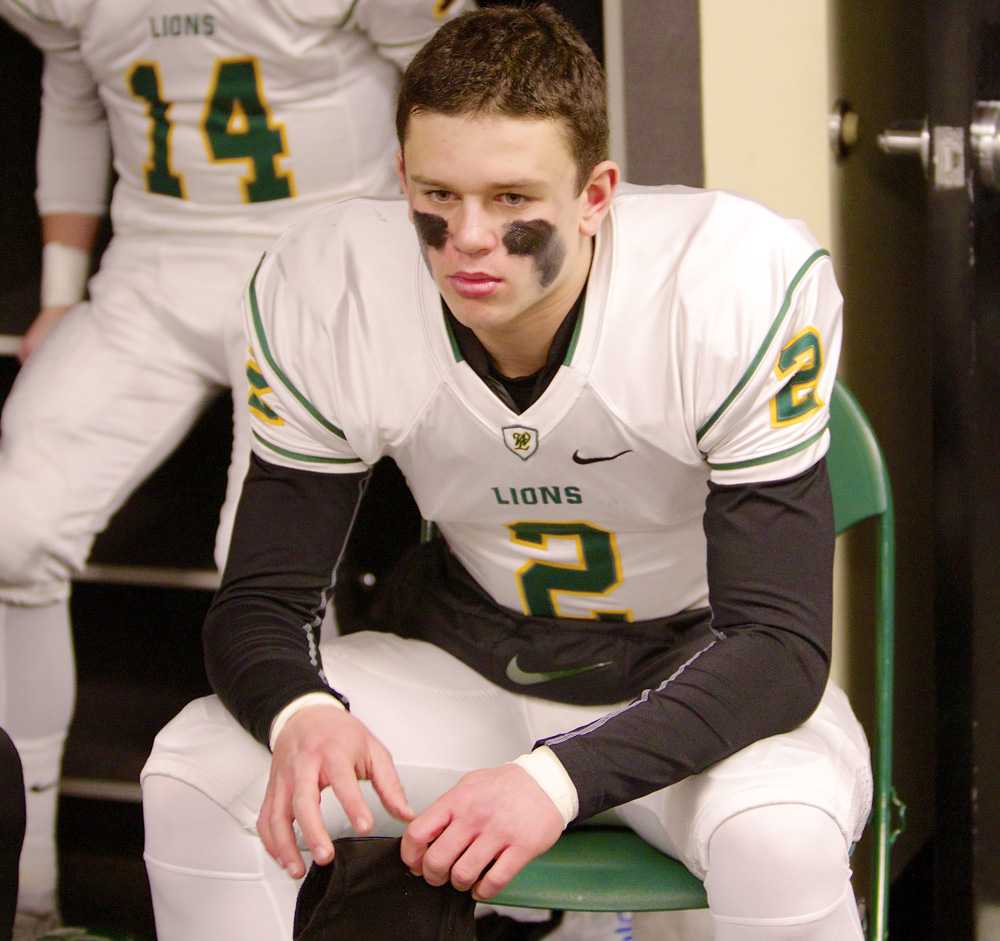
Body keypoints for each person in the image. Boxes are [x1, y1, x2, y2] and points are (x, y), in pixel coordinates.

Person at [141, 6, 873, 940]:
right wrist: (298, 708)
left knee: (780, 837)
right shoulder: (334, 282)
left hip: (699, 680)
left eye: (512, 199)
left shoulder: (727, 281)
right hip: (470, 664)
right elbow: (258, 602)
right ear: (400, 176)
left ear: (597, 193)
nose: (470, 238)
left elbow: (781, 645)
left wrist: (554, 778)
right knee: (196, 767)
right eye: (437, 195)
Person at [0, 0, 469, 933]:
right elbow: (77, 87)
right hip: (152, 267)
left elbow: (449, 82)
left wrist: (429, 263)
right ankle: (27, 883)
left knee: (260, 576)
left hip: (324, 249)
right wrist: (60, 287)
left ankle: (328, 883)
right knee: (11, 531)